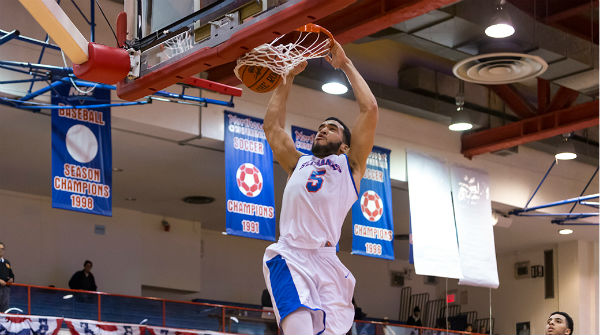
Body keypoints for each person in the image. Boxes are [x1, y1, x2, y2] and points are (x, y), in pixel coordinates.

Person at [262, 37, 378, 335]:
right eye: (320, 127)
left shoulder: (350, 167)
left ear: (345, 146)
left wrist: (346, 65)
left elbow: (370, 110)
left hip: (326, 259)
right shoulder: (297, 162)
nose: (323, 129)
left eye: (332, 128)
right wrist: (287, 77)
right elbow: (272, 127)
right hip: (289, 254)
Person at [0, 242, 15, 312]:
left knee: (4, 310)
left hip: (5, 290)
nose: (0, 250)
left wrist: (11, 279)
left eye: (2, 249)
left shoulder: (7, 262)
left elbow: (11, 274)